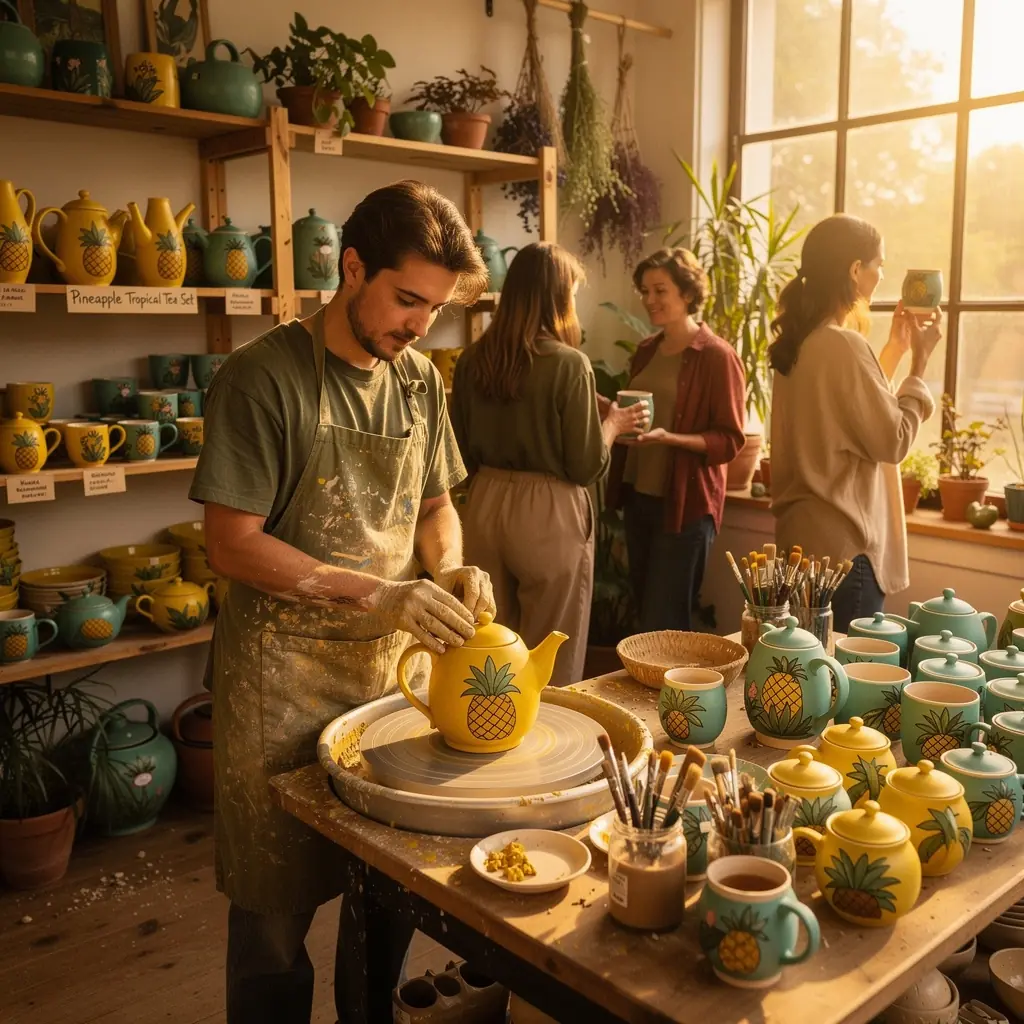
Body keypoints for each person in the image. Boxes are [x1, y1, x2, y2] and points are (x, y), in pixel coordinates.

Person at [188, 180, 496, 1024]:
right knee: (274, 925)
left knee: (383, 900)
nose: (418, 325)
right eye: (405, 300)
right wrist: (385, 594)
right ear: (351, 268)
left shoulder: (419, 382)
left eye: (433, 309)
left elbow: (436, 510)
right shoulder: (262, 378)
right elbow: (232, 543)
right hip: (278, 687)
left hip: (384, 680)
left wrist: (453, 571)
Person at [450, 242, 646, 685]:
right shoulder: (569, 364)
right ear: (558, 297)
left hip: (483, 504)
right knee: (550, 651)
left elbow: (459, 453)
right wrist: (612, 424)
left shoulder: (473, 360)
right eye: (572, 293)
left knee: (489, 643)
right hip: (549, 512)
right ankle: (552, 746)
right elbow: (584, 465)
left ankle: (492, 733)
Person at [768, 213, 942, 631]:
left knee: (806, 685)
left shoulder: (799, 343)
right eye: (879, 265)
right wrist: (920, 363)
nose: (882, 275)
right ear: (854, 270)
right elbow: (891, 440)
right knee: (850, 688)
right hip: (846, 554)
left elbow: (846, 416)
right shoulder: (844, 345)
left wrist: (895, 352)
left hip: (802, 546)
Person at [605, 247, 746, 632]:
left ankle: (676, 695)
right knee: (644, 624)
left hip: (685, 508)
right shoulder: (647, 350)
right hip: (639, 499)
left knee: (664, 623)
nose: (650, 300)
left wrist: (672, 439)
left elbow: (730, 440)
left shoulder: (717, 356)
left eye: (660, 290)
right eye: (645, 291)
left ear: (687, 292)